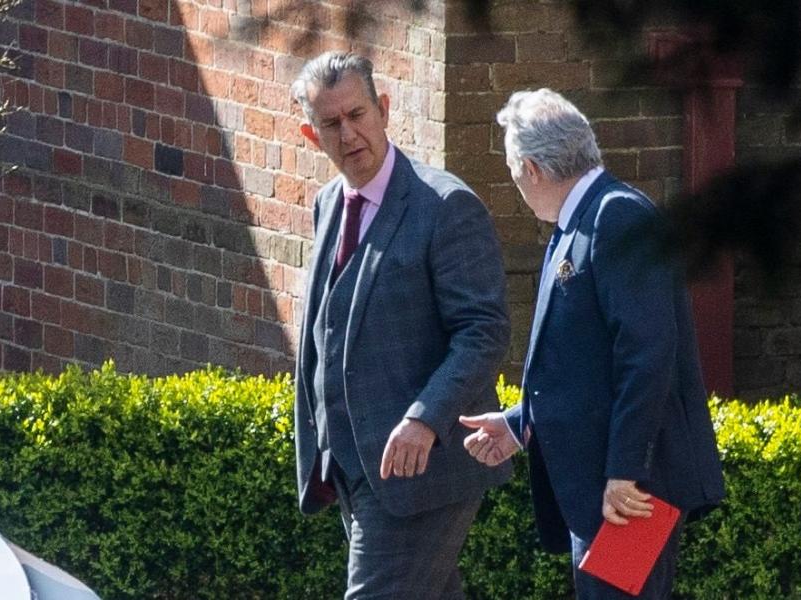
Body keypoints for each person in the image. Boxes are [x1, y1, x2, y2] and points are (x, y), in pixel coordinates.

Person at [459, 88, 725, 599]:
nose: (514, 181)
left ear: (530, 168)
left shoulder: (618, 216)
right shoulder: (577, 223)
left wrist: (625, 472)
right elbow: (584, 368)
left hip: (631, 493)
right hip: (604, 490)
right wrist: (522, 423)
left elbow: (647, 357)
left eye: (512, 169)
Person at [290, 52, 512, 599]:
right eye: (331, 123)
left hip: (423, 471)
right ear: (310, 133)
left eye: (358, 114)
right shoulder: (327, 204)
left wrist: (424, 418)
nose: (349, 133)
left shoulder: (445, 207)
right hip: (350, 465)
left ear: (384, 110)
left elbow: (483, 330)